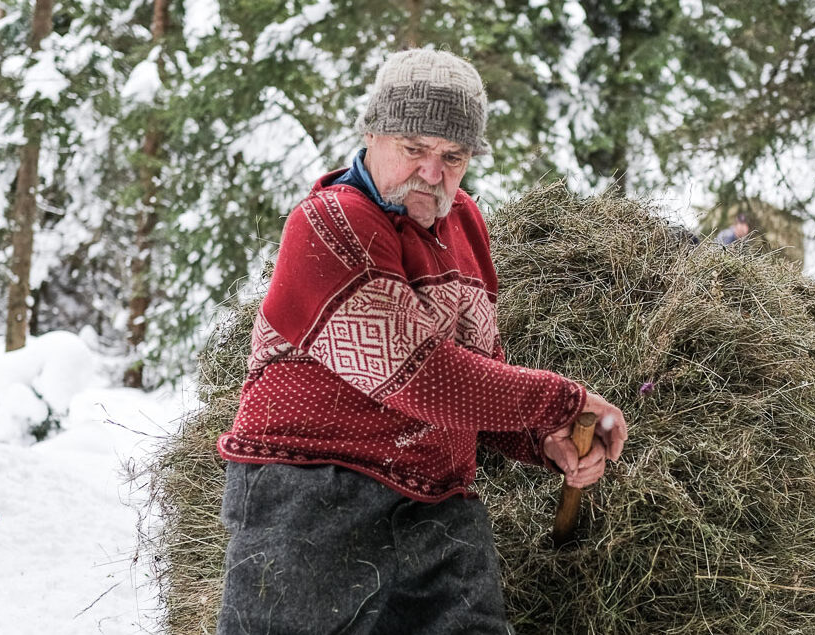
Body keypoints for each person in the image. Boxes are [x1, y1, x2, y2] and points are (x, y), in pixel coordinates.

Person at [215, 48, 628, 634]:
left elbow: (476, 377)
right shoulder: (329, 223)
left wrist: (543, 441)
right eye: (414, 149)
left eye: (452, 156)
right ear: (372, 134)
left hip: (438, 508)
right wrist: (563, 402)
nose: (432, 174)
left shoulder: (466, 225)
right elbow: (422, 376)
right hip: (311, 496)